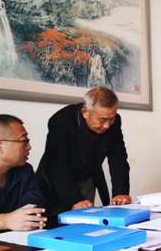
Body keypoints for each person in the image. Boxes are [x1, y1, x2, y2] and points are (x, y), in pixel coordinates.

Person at [38, 87, 131, 218]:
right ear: (85, 112)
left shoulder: (114, 122)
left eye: (111, 119)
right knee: (55, 221)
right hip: (56, 181)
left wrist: (120, 193)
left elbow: (118, 159)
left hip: (87, 176)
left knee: (84, 219)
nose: (107, 125)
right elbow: (57, 165)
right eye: (102, 120)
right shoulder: (61, 120)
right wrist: (75, 200)